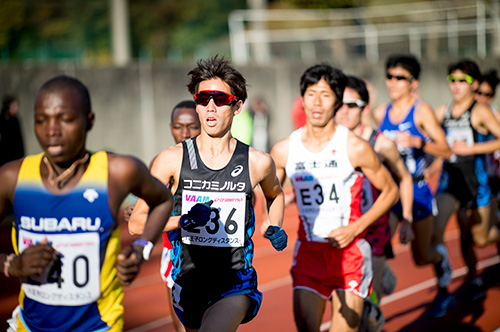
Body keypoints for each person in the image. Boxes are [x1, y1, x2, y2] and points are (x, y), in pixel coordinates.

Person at [0, 75, 174, 331]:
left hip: (99, 325)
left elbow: (163, 200)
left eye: (65, 119)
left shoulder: (117, 171)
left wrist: (140, 250)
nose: (52, 130)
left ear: (89, 121)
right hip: (31, 325)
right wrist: (11, 264)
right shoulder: (12, 178)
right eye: (41, 120)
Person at [129, 55, 287, 332]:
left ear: (237, 106)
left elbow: (276, 195)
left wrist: (273, 223)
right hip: (188, 279)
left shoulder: (257, 162)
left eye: (220, 100)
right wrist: (182, 221)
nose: (211, 108)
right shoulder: (171, 159)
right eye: (203, 100)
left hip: (235, 280)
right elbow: (136, 222)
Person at [271, 63, 399, 332]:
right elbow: (271, 193)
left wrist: (356, 228)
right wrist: (271, 221)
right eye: (311, 94)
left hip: (350, 252)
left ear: (338, 102)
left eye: (326, 95)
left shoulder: (354, 146)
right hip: (308, 252)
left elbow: (391, 191)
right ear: (302, 99)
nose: (317, 103)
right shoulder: (284, 150)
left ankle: (375, 283)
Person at [372, 54, 453, 319]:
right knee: (377, 247)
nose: (393, 83)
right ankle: (375, 308)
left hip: (417, 192)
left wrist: (418, 143)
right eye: (390, 76)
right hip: (391, 191)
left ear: (413, 82)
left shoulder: (421, 111)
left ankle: (440, 260)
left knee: (421, 257)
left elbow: (445, 148)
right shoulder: (380, 112)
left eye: (400, 78)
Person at [335, 75, 414, 331]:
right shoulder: (331, 143)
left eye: (352, 105)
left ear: (365, 108)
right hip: (342, 228)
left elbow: (403, 178)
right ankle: (384, 277)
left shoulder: (381, 144)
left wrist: (408, 218)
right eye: (340, 104)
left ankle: (379, 287)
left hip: (374, 229)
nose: (344, 111)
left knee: (369, 308)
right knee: (346, 306)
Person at [125, 100, 200, 332]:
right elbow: (142, 214)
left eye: (192, 126)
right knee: (183, 326)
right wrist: (141, 211)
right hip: (176, 252)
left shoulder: (219, 160)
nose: (184, 133)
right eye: (179, 126)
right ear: (170, 127)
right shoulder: (160, 162)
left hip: (215, 251)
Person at [434, 60, 500, 301]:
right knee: (446, 232)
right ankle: (469, 278)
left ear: (474, 85)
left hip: (478, 184)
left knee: (479, 238)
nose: (457, 86)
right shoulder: (443, 111)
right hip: (450, 182)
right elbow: (433, 140)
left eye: (463, 80)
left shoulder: (480, 110)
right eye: (453, 80)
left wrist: (470, 149)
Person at [0, 95, 25, 167]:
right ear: (8, 106)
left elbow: (20, 140)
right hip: (3, 157)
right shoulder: (1, 119)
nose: (16, 108)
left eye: (17, 106)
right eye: (13, 105)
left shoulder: (15, 120)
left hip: (15, 157)